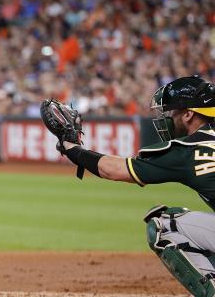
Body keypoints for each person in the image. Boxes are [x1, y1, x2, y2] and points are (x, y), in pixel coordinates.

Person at [54, 76, 215, 296]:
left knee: (164, 225)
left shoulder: (188, 150)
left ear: (188, 114)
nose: (167, 117)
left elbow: (114, 170)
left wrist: (71, 147)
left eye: (172, 112)